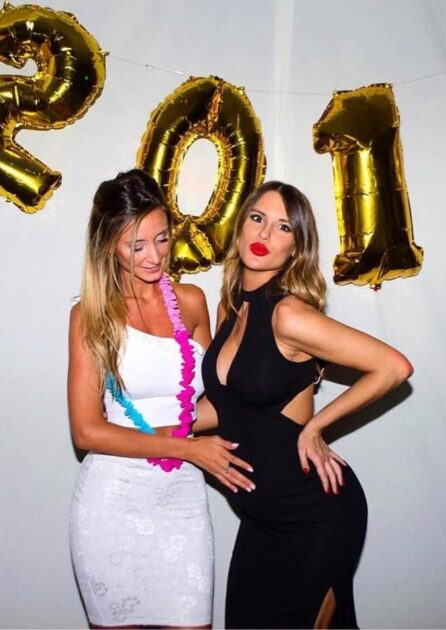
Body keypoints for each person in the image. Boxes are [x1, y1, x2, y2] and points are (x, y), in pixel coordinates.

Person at [201, 181, 414, 629]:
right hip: (260, 517)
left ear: (296, 248)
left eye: (283, 227)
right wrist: (155, 430)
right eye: (257, 218)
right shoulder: (229, 308)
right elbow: (226, 409)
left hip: (314, 513)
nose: (265, 234)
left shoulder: (289, 315)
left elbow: (392, 367)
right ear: (239, 227)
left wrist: (315, 427)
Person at [67, 169, 254, 629]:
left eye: (163, 238)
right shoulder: (91, 315)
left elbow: (219, 398)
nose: (155, 256)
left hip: (181, 497)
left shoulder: (191, 302)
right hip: (112, 500)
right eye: (137, 246)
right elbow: (86, 431)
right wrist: (184, 446)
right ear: (109, 246)